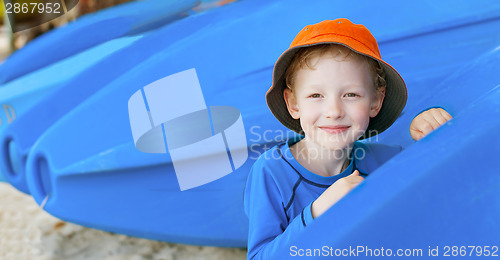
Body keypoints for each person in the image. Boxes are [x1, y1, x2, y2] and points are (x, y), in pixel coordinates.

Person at [243, 18, 452, 259]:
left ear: (375, 101)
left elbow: (433, 180)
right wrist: (317, 212)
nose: (334, 111)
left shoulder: (382, 160)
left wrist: (427, 133)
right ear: (293, 103)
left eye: (351, 94)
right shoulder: (271, 172)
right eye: (315, 95)